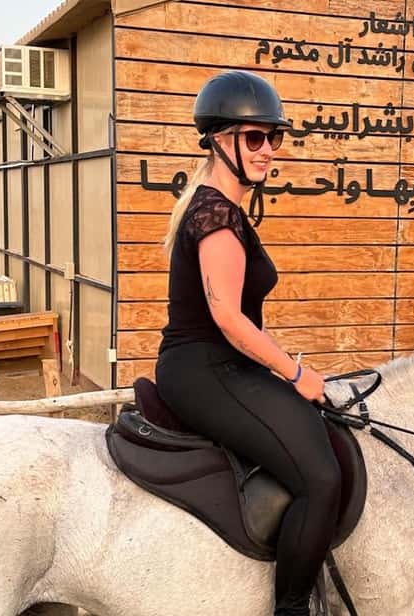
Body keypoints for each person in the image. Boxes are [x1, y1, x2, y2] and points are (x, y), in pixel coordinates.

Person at [153, 70, 341, 616]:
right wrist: (296, 373)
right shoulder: (215, 216)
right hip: (205, 370)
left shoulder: (221, 208)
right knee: (321, 478)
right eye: (254, 137)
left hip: (222, 366)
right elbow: (229, 319)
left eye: (274, 137)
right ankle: (291, 610)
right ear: (218, 140)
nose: (268, 150)